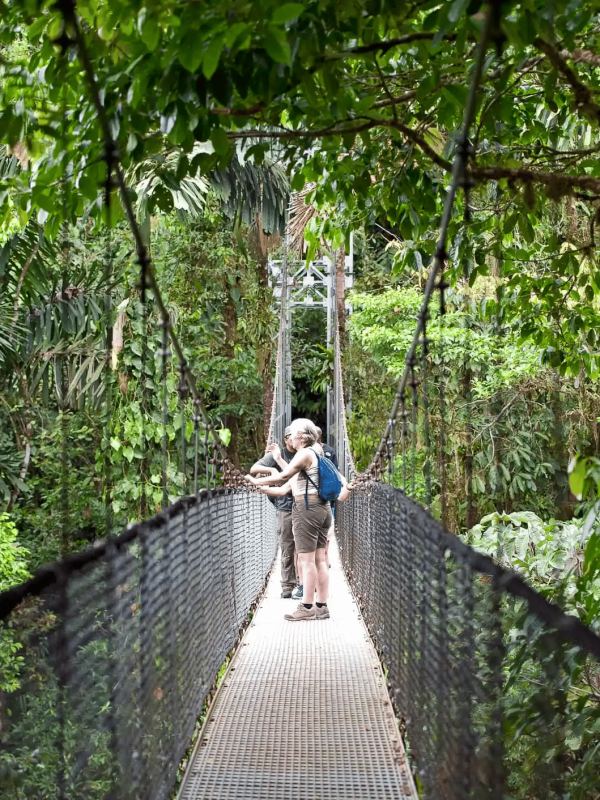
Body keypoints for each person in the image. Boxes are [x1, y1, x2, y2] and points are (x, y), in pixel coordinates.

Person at [245, 418, 335, 621]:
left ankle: (306, 606)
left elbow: (282, 476)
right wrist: (260, 487)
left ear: (301, 437)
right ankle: (321, 606)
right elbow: (287, 485)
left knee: (306, 560)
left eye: (292, 434)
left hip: (307, 508)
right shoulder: (317, 451)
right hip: (322, 507)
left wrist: (254, 479)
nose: (290, 438)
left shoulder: (303, 454)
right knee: (320, 559)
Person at [249, 426, 296, 598]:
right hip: (284, 505)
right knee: (287, 546)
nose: (294, 440)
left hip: (302, 504)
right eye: (291, 437)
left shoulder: (303, 452)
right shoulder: (278, 454)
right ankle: (288, 585)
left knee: (303, 548)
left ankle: (303, 583)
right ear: (285, 439)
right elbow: (254, 469)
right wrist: (272, 469)